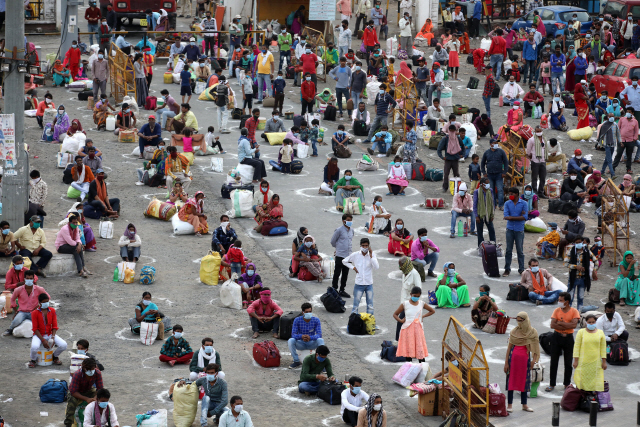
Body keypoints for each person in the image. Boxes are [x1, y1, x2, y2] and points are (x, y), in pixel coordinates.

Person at [504, 312, 539, 413]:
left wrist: (534, 360)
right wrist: (506, 362)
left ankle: (525, 404)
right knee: (511, 381)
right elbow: (509, 348)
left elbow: (536, 348)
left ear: (526, 320)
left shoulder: (532, 332)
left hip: (525, 360)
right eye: (517, 321)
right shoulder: (514, 332)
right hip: (513, 360)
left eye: (521, 321)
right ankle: (509, 404)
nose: (519, 323)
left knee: (524, 382)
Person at [545, 291, 580, 392]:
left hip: (568, 338)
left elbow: (574, 325)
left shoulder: (574, 311)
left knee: (568, 362)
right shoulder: (557, 310)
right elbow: (552, 325)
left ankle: (566, 384)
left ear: (567, 302)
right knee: (554, 362)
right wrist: (566, 324)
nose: (559, 302)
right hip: (556, 337)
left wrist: (560, 323)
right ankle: (552, 384)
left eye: (561, 300)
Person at [393, 286, 435, 363]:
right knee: (409, 351)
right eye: (415, 296)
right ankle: (409, 368)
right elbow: (395, 314)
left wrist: (422, 316)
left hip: (418, 330)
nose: (416, 298)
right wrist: (401, 321)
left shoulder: (422, 304)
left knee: (420, 350)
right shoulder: (405, 304)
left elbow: (432, 311)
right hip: (407, 330)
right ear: (411, 294)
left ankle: (422, 368)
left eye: (418, 296)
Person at [28, 293, 67, 368]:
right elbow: (35, 329)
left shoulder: (52, 311)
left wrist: (52, 337)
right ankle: (33, 360)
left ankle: (54, 357)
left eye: (47, 301)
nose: (46, 303)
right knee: (34, 347)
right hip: (39, 335)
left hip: (49, 334)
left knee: (63, 345)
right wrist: (42, 340)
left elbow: (54, 326)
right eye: (44, 302)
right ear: (39, 303)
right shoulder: (34, 313)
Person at [2, 272, 47, 336]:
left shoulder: (39, 289)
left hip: (34, 311)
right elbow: (12, 299)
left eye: (31, 278)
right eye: (27, 278)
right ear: (24, 279)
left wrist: (39, 306)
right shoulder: (18, 289)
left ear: (33, 279)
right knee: (15, 322)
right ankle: (10, 330)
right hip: (22, 311)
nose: (29, 280)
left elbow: (47, 297)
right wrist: (15, 310)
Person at [343, 238, 379, 315]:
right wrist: (353, 267)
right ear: (360, 246)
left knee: (370, 306)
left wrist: (371, 255)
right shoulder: (355, 255)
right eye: (363, 246)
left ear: (369, 246)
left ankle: (369, 322)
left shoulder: (372, 255)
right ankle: (353, 323)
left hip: (369, 284)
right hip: (359, 284)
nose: (365, 247)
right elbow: (344, 261)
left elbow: (376, 267)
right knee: (355, 306)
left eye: (366, 246)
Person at [63, 358, 103, 427]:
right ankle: (68, 423)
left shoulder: (97, 373)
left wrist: (95, 398)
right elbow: (73, 392)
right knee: (72, 402)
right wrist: (86, 399)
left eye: (92, 369)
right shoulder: (77, 374)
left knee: (102, 398)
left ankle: (100, 421)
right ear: (83, 368)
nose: (90, 371)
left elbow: (100, 389)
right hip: (77, 391)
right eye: (88, 369)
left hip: (89, 389)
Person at [573, 313, 607, 393]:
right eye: (589, 322)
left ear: (596, 322)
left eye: (593, 322)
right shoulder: (581, 332)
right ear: (586, 322)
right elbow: (576, 347)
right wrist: (576, 360)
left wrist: (604, 362)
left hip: (596, 362)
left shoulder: (600, 333)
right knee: (581, 380)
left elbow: (603, 349)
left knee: (594, 381)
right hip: (583, 362)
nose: (591, 324)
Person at [289, 303, 325, 369]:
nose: (308, 313)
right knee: (291, 340)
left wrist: (310, 337)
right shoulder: (297, 320)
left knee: (320, 340)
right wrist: (301, 336)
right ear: (302, 312)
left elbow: (319, 334)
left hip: (311, 342)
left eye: (310, 312)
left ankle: (321, 363)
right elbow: (293, 334)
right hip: (301, 343)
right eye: (306, 312)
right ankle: (296, 361)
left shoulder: (316, 320)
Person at [503, 187, 528, 276]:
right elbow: (506, 216)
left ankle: (521, 269)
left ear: (517, 194)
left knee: (520, 250)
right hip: (510, 229)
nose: (510, 195)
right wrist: (518, 217)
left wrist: (511, 217)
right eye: (509, 194)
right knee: (508, 250)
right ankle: (507, 269)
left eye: (512, 194)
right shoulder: (507, 203)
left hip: (519, 230)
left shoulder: (524, 203)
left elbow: (525, 217)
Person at [55, 214, 88, 278]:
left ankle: (82, 268)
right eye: (73, 223)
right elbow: (71, 242)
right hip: (61, 246)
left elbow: (78, 238)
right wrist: (78, 245)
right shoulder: (65, 229)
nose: (75, 224)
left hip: (70, 245)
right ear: (69, 223)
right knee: (76, 249)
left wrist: (79, 244)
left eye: (76, 222)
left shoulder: (76, 228)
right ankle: (82, 269)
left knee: (77, 250)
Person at [437, 125, 465, 193]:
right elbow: (439, 149)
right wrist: (442, 157)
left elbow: (463, 147)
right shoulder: (445, 138)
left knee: (456, 174)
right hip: (448, 160)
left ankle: (458, 187)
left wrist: (462, 155)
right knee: (446, 174)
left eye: (453, 131)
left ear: (455, 131)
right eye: (451, 131)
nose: (452, 132)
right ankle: (445, 187)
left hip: (455, 159)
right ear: (448, 131)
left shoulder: (457, 138)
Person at [613, 107, 639, 175]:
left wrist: (634, 139)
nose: (628, 113)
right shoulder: (622, 119)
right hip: (621, 140)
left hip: (630, 141)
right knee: (618, 154)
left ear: (633, 113)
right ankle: (612, 168)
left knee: (629, 156)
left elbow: (636, 131)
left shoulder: (635, 121)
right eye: (627, 111)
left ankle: (628, 169)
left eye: (630, 112)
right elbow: (618, 128)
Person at [473, 176, 496, 247]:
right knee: (480, 231)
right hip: (480, 214)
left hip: (488, 214)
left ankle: (493, 244)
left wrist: (492, 215)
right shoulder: (477, 192)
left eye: (488, 183)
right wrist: (476, 216)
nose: (488, 184)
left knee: (491, 230)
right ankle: (480, 246)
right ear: (482, 184)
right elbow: (475, 204)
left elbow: (492, 203)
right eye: (487, 183)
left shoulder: (490, 190)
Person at [598, 113, 621, 178]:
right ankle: (612, 174)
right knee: (609, 160)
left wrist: (620, 142)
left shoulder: (615, 125)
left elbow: (618, 134)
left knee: (607, 159)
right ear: (608, 117)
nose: (611, 117)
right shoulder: (605, 125)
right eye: (610, 116)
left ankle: (602, 172)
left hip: (613, 144)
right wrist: (599, 144)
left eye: (612, 116)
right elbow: (601, 135)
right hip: (607, 144)